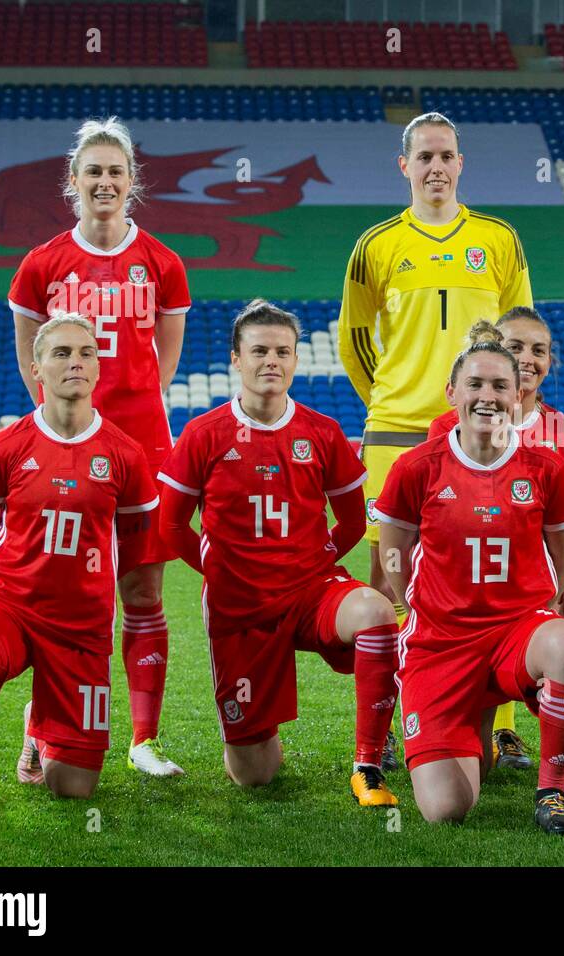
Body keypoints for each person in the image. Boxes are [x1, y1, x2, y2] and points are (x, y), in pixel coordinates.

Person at [339, 112, 534, 766]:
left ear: (460, 162)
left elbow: (517, 333)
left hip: (482, 436)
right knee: (389, 583)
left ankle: (500, 725)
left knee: (491, 577)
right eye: (423, 156)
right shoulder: (375, 245)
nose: (435, 167)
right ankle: (387, 726)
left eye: (446, 155)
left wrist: (490, 409)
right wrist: (393, 401)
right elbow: (355, 338)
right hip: (396, 432)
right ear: (405, 165)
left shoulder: (498, 239)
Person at [157, 300, 401, 804]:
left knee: (377, 613)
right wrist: (220, 569)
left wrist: (315, 557)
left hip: (312, 590)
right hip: (239, 605)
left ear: (295, 359)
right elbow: (171, 524)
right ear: (236, 359)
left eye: (283, 351)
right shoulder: (203, 434)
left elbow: (355, 518)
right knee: (255, 776)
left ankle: (370, 761)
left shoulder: (321, 431)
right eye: (260, 350)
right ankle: (259, 734)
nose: (272, 360)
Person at [8, 117, 191, 777]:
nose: (106, 182)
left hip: (143, 449)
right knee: (56, 597)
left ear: (132, 181)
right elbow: (32, 362)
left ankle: (144, 739)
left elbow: (163, 367)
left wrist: (125, 418)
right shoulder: (42, 265)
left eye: (117, 171)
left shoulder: (165, 263)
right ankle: (40, 730)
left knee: (143, 591)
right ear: (74, 182)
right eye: (94, 172)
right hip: (63, 455)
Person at [374, 332, 564, 834]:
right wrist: (430, 602)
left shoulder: (546, 470)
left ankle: (553, 791)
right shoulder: (416, 468)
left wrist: (540, 617)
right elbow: (393, 554)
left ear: (518, 395)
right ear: (452, 392)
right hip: (441, 644)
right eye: (475, 384)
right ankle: (469, 719)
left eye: (500, 385)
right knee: (448, 808)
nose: (487, 396)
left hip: (516, 634)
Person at [0, 314, 158, 809]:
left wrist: (88, 580)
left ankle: (39, 729)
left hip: (82, 625)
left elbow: (139, 541)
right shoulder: (6, 445)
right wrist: (20, 571)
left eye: (86, 353)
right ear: (37, 368)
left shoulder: (124, 453)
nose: (75, 362)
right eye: (60, 353)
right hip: (13, 604)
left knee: (73, 788)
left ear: (99, 368)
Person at [428, 309, 564, 804]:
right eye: (515, 348)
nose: (527, 360)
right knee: (474, 774)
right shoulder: (447, 426)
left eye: (538, 350)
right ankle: (471, 732)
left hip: (543, 589)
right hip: (473, 596)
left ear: (550, 362)